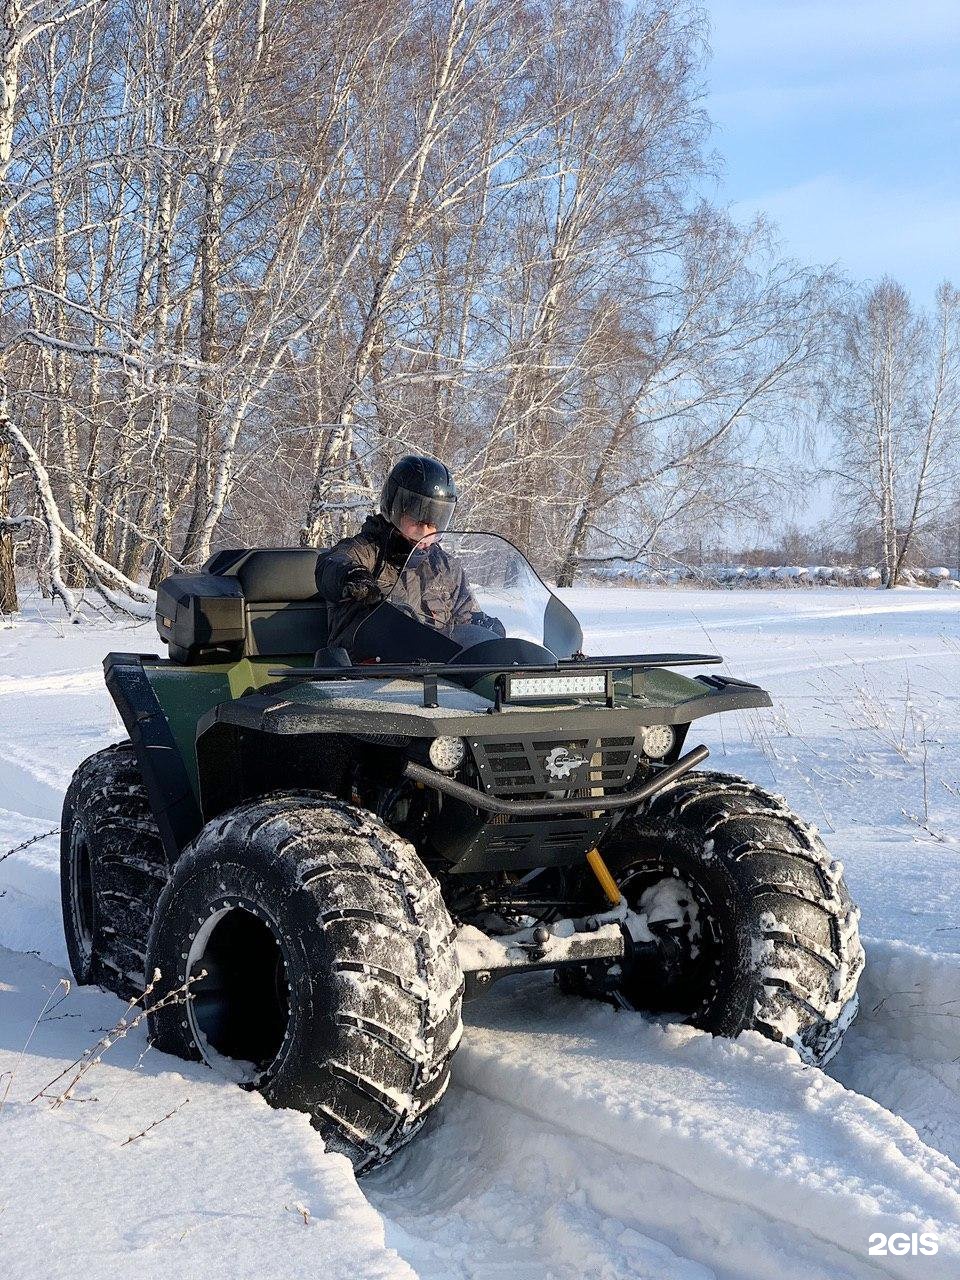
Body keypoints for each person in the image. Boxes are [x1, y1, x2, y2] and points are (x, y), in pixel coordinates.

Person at [316, 455, 503, 653]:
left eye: (433, 523)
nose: (425, 532)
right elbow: (331, 565)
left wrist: (483, 629)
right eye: (416, 519)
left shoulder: (446, 569)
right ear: (393, 508)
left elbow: (465, 620)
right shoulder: (365, 552)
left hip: (436, 673)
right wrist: (351, 576)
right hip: (366, 671)